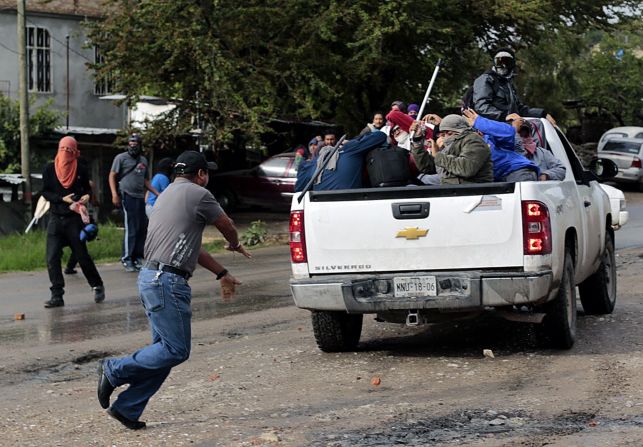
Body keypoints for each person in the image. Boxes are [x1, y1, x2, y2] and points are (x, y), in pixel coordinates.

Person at [97, 150, 251, 430]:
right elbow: (227, 224)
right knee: (176, 350)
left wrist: (222, 272)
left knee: (162, 351)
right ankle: (114, 369)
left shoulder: (167, 193)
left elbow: (193, 248)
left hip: (150, 277)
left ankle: (128, 408)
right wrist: (233, 243)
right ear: (201, 174)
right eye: (208, 172)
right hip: (166, 281)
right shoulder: (198, 193)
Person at [41, 136, 105, 308]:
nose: (65, 153)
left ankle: (97, 285)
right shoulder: (49, 169)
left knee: (82, 257)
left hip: (74, 220)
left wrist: (87, 196)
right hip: (55, 218)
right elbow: (45, 192)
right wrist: (62, 198)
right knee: (52, 257)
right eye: (63, 149)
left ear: (75, 151)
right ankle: (57, 295)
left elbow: (87, 189)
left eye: (69, 150)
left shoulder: (80, 169)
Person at [108, 133, 160, 272]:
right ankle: (126, 258)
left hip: (139, 196)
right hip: (127, 195)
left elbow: (145, 181)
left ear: (140, 145)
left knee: (141, 227)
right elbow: (112, 176)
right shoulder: (120, 158)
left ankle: (137, 257)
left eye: (135, 144)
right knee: (130, 227)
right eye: (130, 144)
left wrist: (157, 194)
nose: (133, 146)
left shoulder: (143, 160)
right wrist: (114, 194)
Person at [472, 48, 556, 124]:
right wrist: (503, 116)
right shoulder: (485, 79)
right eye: (499, 62)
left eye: (506, 62)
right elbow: (481, 106)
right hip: (490, 126)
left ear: (512, 64)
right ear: (494, 63)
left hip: (508, 125)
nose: (503, 65)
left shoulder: (508, 84)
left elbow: (520, 109)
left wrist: (543, 114)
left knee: (539, 126)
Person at [411, 114, 493, 184]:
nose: (445, 137)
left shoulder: (474, 140)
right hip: (453, 190)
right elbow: (427, 168)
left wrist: (438, 156)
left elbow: (466, 169)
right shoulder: (450, 145)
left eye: (448, 133)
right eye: (442, 134)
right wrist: (417, 141)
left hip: (471, 191)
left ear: (459, 130)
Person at [462, 109, 539, 182]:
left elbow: (508, 132)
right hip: (499, 181)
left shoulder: (491, 139)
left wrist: (479, 122)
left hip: (517, 173)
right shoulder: (463, 146)